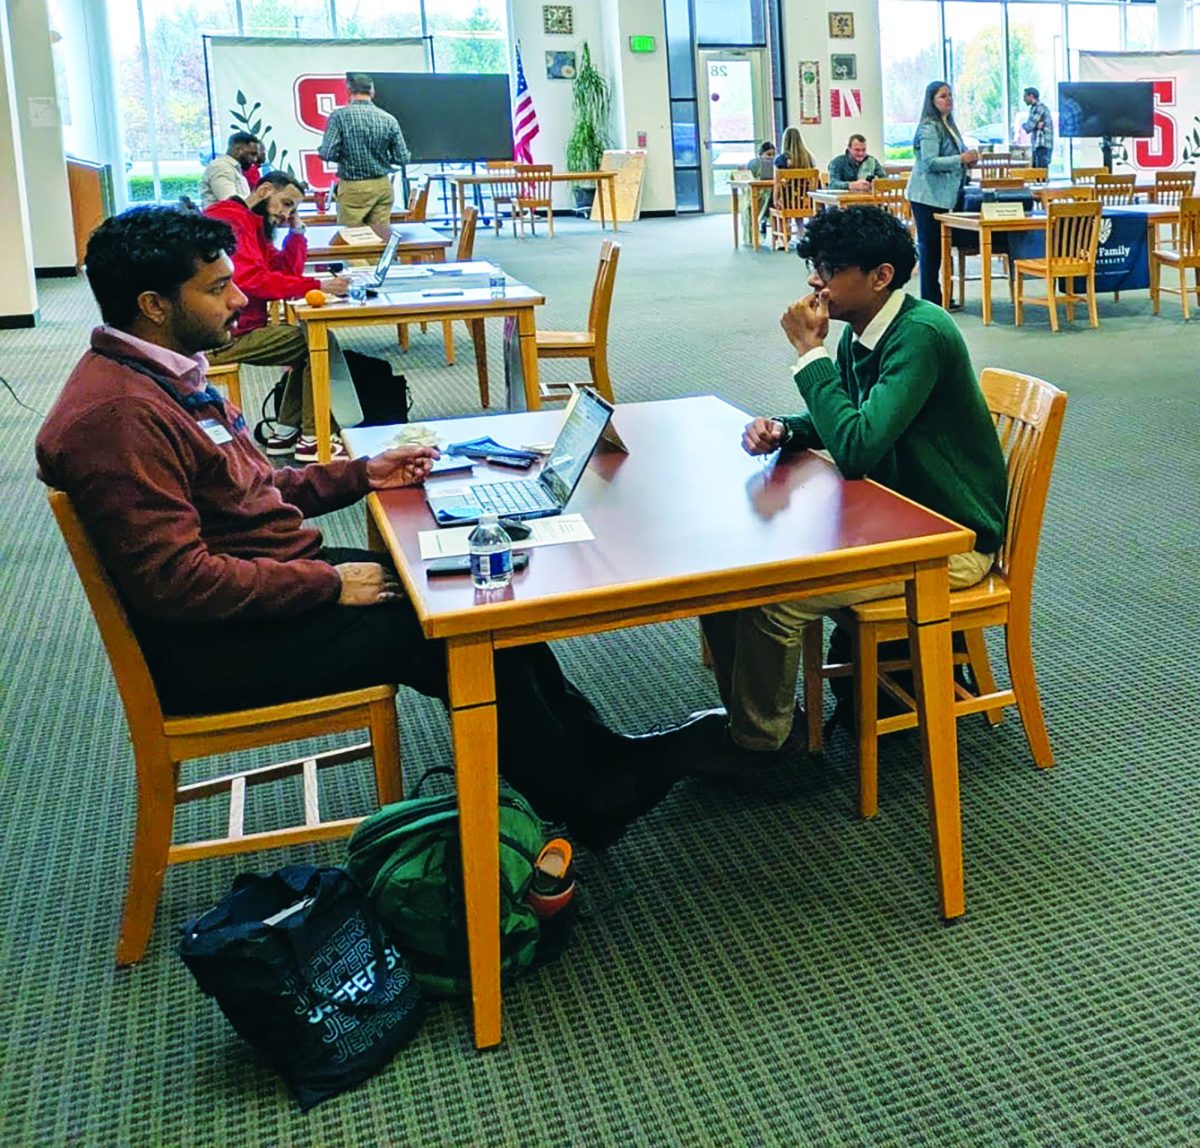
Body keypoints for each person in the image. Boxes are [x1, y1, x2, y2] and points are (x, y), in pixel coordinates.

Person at [36, 206, 716, 848]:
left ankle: (592, 760)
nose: (240, 302)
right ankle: (591, 791)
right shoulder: (118, 419)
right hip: (216, 643)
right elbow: (178, 585)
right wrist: (324, 585)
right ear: (154, 306)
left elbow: (252, 491)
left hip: (260, 585)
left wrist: (364, 473)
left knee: (486, 592)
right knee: (455, 623)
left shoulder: (160, 377)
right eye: (217, 290)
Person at [697, 206, 1006, 763]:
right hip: (897, 517)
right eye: (815, 265)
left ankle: (764, 748)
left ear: (880, 276)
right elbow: (850, 420)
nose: (814, 280)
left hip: (951, 540)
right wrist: (786, 429)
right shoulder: (863, 331)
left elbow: (858, 448)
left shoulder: (921, 335)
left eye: (830, 268)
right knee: (731, 580)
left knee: (775, 601)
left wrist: (808, 353)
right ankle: (755, 723)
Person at [204, 170, 350, 461]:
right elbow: (252, 280)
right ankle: (313, 437)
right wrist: (317, 284)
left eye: (292, 208)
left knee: (310, 342)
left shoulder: (252, 223)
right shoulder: (229, 219)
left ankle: (285, 433)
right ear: (265, 190)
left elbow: (284, 273)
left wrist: (296, 235)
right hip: (218, 335)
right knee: (316, 343)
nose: (286, 214)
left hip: (239, 327)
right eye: (285, 204)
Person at [906, 80, 979, 306]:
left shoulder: (949, 125)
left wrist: (969, 160)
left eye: (949, 95)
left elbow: (954, 157)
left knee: (941, 248)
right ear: (932, 101)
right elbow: (929, 162)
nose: (948, 100)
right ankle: (931, 299)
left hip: (944, 195)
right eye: (943, 96)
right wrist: (960, 159)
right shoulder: (929, 126)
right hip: (926, 196)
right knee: (930, 250)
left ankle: (942, 296)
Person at [319, 72, 410, 227]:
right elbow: (402, 158)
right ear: (372, 92)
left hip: (353, 187)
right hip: (382, 185)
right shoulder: (389, 119)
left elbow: (327, 153)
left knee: (351, 239)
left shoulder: (339, 117)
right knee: (380, 238)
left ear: (348, 91)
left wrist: (345, 156)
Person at [200, 131, 259, 208]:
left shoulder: (232, 167)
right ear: (237, 150)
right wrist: (258, 197)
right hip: (220, 219)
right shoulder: (221, 167)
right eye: (252, 154)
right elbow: (230, 202)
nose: (255, 159)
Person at [746, 141, 776, 237]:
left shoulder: (775, 164)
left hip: (772, 192)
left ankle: (764, 218)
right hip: (758, 193)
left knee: (772, 196)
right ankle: (762, 219)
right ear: (760, 154)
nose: (771, 157)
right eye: (768, 154)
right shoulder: (753, 164)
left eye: (773, 154)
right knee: (766, 197)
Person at [1022, 87, 1054, 171]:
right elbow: (1033, 125)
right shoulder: (1037, 108)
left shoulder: (1038, 108)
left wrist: (1023, 125)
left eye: (1025, 96)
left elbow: (1029, 127)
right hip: (1039, 144)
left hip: (1042, 144)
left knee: (1040, 173)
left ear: (1031, 96)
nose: (1024, 99)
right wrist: (1036, 126)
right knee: (1038, 172)